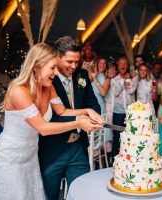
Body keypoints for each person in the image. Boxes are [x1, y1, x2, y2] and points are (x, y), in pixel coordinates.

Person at [0, 43, 103, 199]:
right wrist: (78, 123)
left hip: (30, 156)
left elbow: (63, 111)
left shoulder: (47, 86)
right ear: (37, 66)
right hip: (10, 157)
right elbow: (42, 128)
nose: (55, 73)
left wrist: (87, 111)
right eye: (52, 68)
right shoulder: (18, 90)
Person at [38, 37, 102, 200]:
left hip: (78, 147)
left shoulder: (82, 75)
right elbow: (48, 117)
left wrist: (91, 115)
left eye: (77, 61)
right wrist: (79, 121)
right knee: (50, 195)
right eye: (69, 61)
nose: (74, 66)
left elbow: (94, 105)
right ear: (57, 56)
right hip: (52, 147)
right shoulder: (46, 79)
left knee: (82, 193)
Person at [111, 56, 138, 158]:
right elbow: (116, 92)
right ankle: (115, 159)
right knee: (117, 136)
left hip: (130, 112)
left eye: (125, 63)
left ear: (127, 66)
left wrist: (129, 79)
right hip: (118, 112)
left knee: (130, 135)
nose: (122, 65)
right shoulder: (114, 79)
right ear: (118, 66)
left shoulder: (133, 78)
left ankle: (129, 158)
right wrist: (124, 82)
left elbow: (131, 90)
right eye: (121, 63)